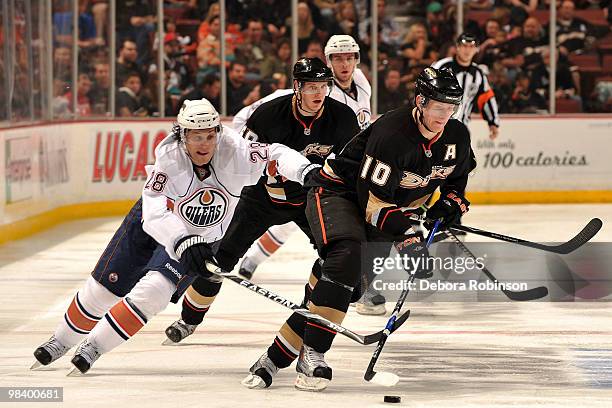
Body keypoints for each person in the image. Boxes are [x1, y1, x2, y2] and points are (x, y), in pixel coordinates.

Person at [31, 99, 316, 374]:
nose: (203, 145)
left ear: (217, 133)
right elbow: (155, 212)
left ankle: (94, 347)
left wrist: (305, 170)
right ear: (182, 136)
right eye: (195, 137)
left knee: (155, 292)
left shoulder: (235, 151)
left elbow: (277, 153)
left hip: (200, 236)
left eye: (209, 136)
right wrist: (181, 239)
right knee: (104, 290)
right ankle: (61, 340)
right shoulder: (168, 156)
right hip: (153, 226)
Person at [241, 66, 475, 391]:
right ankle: (313, 356)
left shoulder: (456, 135)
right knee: (347, 255)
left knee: (339, 288)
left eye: (451, 108)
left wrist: (450, 203)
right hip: (338, 194)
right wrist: (407, 237)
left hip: (384, 209)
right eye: (438, 107)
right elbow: (373, 203)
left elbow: (457, 175)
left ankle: (273, 357)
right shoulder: (393, 133)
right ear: (420, 101)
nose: (445, 115)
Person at [163, 58, 360, 351]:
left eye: (323, 86)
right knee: (219, 261)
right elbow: (243, 159)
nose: (319, 94)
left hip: (312, 200)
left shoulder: (342, 118)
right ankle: (189, 320)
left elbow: (353, 166)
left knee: (342, 262)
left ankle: (310, 310)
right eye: (311, 87)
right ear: (297, 87)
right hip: (261, 199)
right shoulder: (268, 116)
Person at [236, 35, 373, 284]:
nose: (345, 64)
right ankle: (251, 259)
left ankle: (253, 260)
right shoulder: (311, 93)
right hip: (299, 172)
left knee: (309, 226)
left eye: (350, 57)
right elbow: (250, 118)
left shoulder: (362, 82)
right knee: (289, 219)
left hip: (329, 166)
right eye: (338, 58)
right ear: (328, 61)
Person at [432, 33, 501, 140]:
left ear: (476, 49)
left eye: (471, 46)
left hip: (462, 127)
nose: (467, 50)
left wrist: (493, 123)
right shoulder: (441, 67)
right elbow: (425, 91)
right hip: (436, 126)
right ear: (457, 47)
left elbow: (486, 98)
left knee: (463, 155)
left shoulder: (478, 73)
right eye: (464, 46)